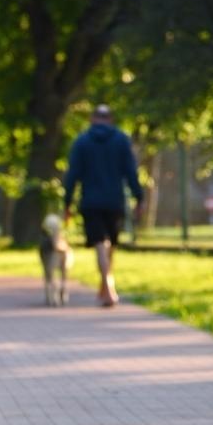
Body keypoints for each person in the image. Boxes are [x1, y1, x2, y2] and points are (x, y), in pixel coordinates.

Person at [63, 104, 143, 307]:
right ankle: (108, 286)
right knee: (110, 244)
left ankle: (106, 285)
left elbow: (72, 175)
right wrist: (139, 197)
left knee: (100, 243)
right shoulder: (121, 140)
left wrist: (67, 203)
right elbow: (131, 172)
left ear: (92, 119)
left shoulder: (82, 141)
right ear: (111, 119)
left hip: (90, 201)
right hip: (114, 200)